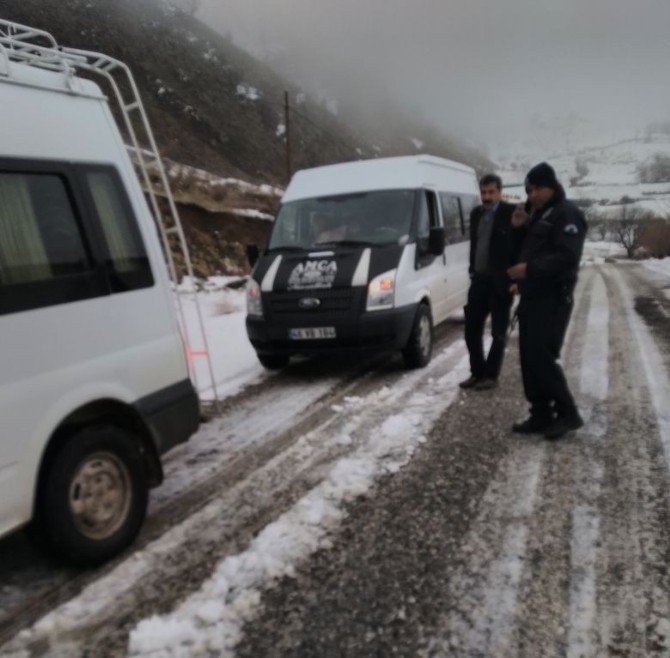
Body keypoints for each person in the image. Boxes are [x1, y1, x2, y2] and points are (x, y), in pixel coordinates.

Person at [507, 162, 587, 439]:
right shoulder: (540, 214)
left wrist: (529, 270)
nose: (531, 195)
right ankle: (540, 413)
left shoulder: (568, 215)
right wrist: (519, 228)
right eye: (529, 190)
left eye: (536, 189)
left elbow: (566, 257)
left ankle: (568, 413)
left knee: (542, 357)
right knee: (529, 358)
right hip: (533, 296)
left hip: (553, 298)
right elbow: (531, 249)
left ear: (549, 186)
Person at [459, 174, 526, 391]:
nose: (486, 197)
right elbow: (475, 245)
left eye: (491, 192)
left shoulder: (511, 213)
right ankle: (476, 372)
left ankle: (491, 375)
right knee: (471, 329)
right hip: (478, 280)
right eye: (484, 192)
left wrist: (518, 280)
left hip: (501, 282)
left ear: (499, 192)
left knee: (498, 331)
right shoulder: (477, 214)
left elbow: (522, 246)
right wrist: (472, 269)